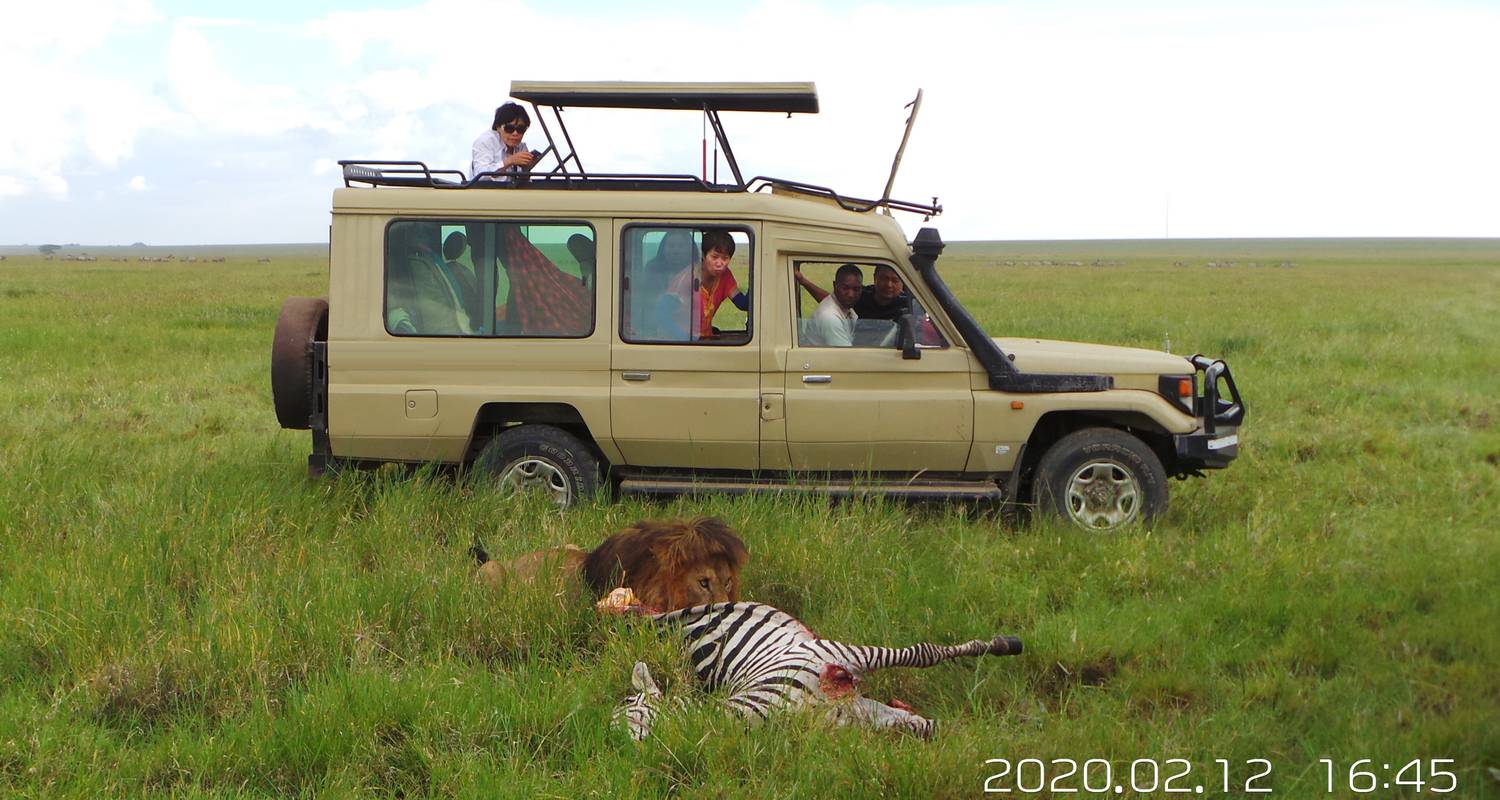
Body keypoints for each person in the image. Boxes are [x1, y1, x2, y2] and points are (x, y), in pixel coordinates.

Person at [668, 230, 748, 338]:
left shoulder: (725, 275)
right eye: (714, 257)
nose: (719, 263)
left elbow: (742, 303)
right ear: (704, 255)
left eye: (725, 258)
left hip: (705, 340)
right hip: (677, 341)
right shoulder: (686, 279)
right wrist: (684, 339)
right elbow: (663, 316)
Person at [795, 263, 911, 321]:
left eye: (895, 280)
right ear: (875, 278)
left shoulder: (909, 304)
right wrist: (803, 281)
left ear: (903, 283)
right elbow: (835, 299)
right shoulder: (861, 294)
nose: (889, 284)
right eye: (884, 279)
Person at [472, 102, 535, 182]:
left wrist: (527, 167)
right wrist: (510, 161)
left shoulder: (521, 147)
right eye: (509, 128)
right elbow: (480, 175)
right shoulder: (486, 141)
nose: (515, 133)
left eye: (520, 129)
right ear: (498, 127)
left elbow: (524, 181)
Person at [803, 263, 862, 347]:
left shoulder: (845, 308)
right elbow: (847, 356)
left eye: (856, 289)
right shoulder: (830, 317)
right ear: (835, 286)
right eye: (845, 288)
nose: (850, 294)